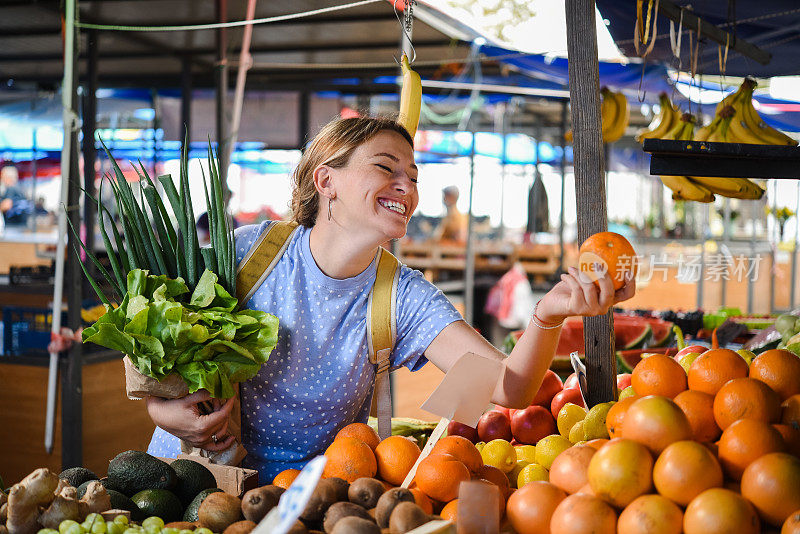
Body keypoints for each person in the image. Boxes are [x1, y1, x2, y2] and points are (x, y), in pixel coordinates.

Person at [144, 117, 635, 482]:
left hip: (305, 501)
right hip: (188, 482)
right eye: (386, 167)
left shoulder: (401, 297)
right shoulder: (248, 255)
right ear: (326, 181)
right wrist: (159, 410)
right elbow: (152, 336)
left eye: (415, 176)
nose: (408, 187)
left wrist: (548, 314)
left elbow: (508, 387)